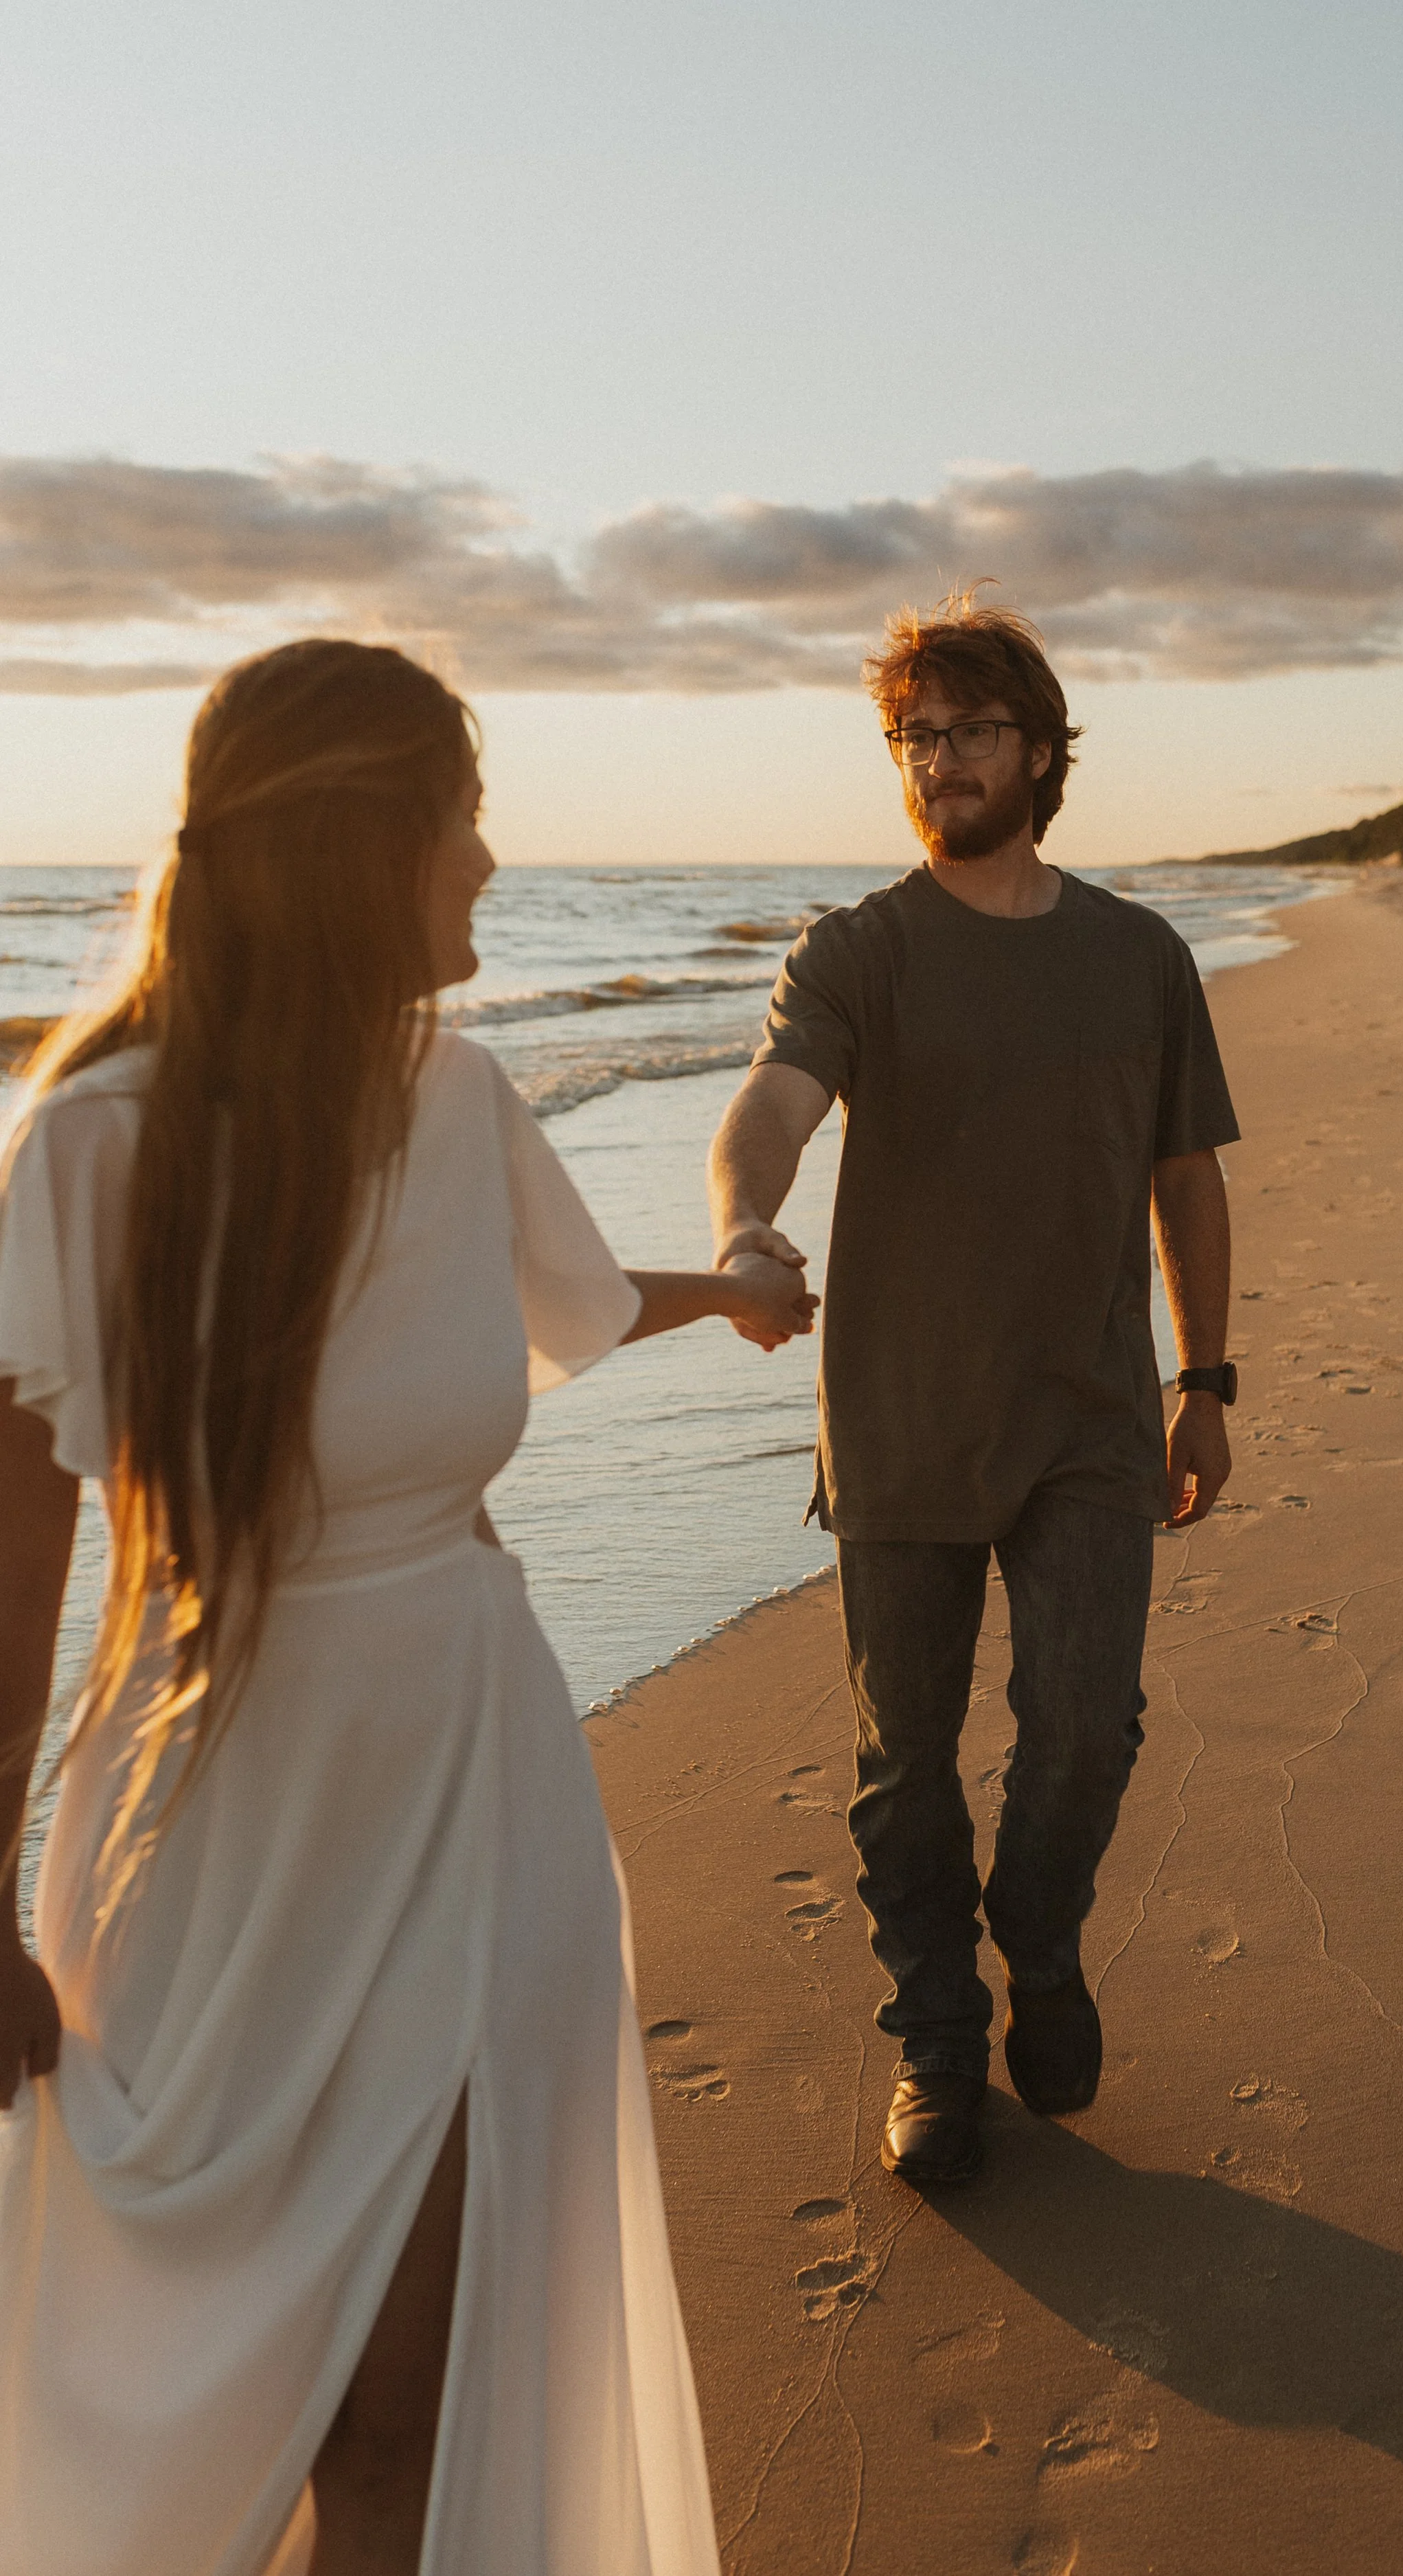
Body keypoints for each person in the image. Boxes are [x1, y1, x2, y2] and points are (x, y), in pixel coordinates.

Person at [0, 639, 813, 2575]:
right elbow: (16, 1559)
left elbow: (561, 1301)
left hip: (475, 1771)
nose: (490, 859)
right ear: (362, 841)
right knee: (207, 2367)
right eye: (461, 814)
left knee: (415, 2383)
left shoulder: (457, 1096)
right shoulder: (96, 1141)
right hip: (219, 1817)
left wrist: (736, 1288)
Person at [707, 596, 1240, 2187]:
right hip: (897, 1419)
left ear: (1040, 748)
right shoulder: (857, 951)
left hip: (1087, 1411)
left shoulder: (1136, 955)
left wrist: (1203, 1381)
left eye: (971, 730)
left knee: (1084, 1726)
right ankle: (938, 2044)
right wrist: (743, 1221)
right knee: (905, 1764)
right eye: (914, 736)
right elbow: (772, 1105)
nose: (940, 760)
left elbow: (1186, 1180)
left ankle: (1040, 1931)